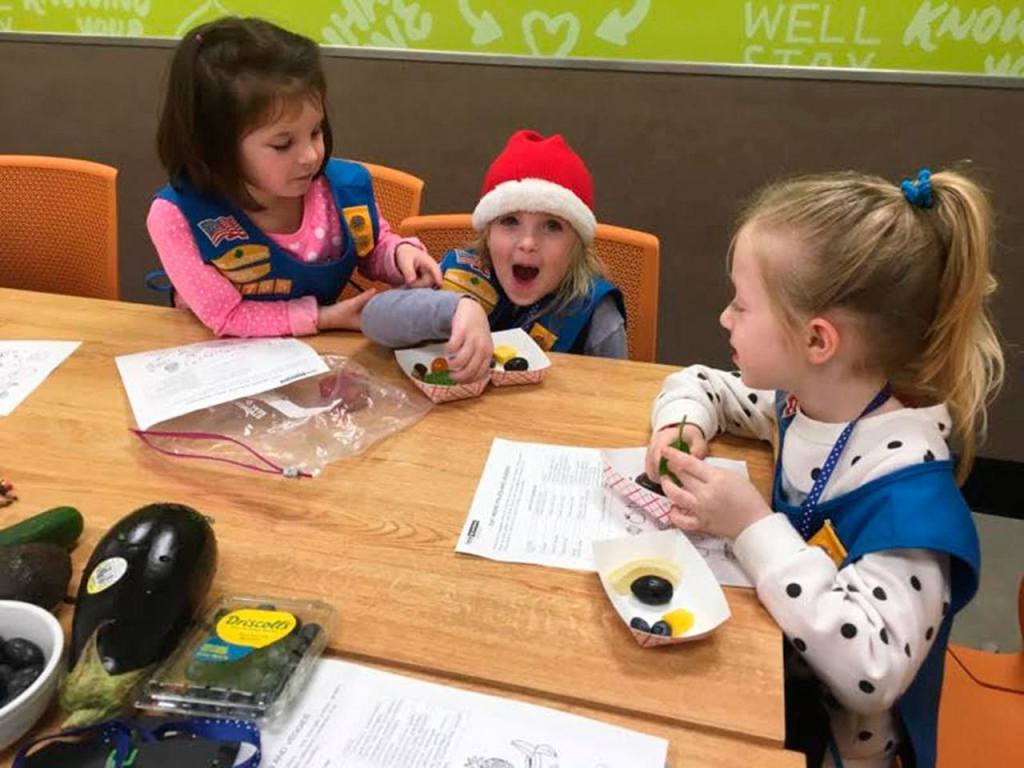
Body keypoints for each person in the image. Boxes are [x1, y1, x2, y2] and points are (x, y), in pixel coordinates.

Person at [646, 169, 1003, 768]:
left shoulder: (911, 503)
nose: (724, 319)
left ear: (817, 341)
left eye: (741, 304)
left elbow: (872, 671)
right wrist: (679, 426)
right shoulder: (809, 403)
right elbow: (703, 385)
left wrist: (752, 526)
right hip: (777, 684)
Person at [146, 16, 440, 337]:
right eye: (283, 144)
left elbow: (371, 246)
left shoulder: (342, 189)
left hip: (314, 357)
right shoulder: (178, 217)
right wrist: (323, 318)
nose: (311, 156)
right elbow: (227, 316)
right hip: (217, 358)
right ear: (213, 145)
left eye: (315, 131)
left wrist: (399, 256)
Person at [361, 130, 627, 381]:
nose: (527, 243)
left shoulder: (597, 314)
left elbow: (616, 399)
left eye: (552, 226)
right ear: (487, 233)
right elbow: (373, 319)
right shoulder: (463, 274)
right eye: (510, 221)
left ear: (577, 245)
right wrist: (455, 308)